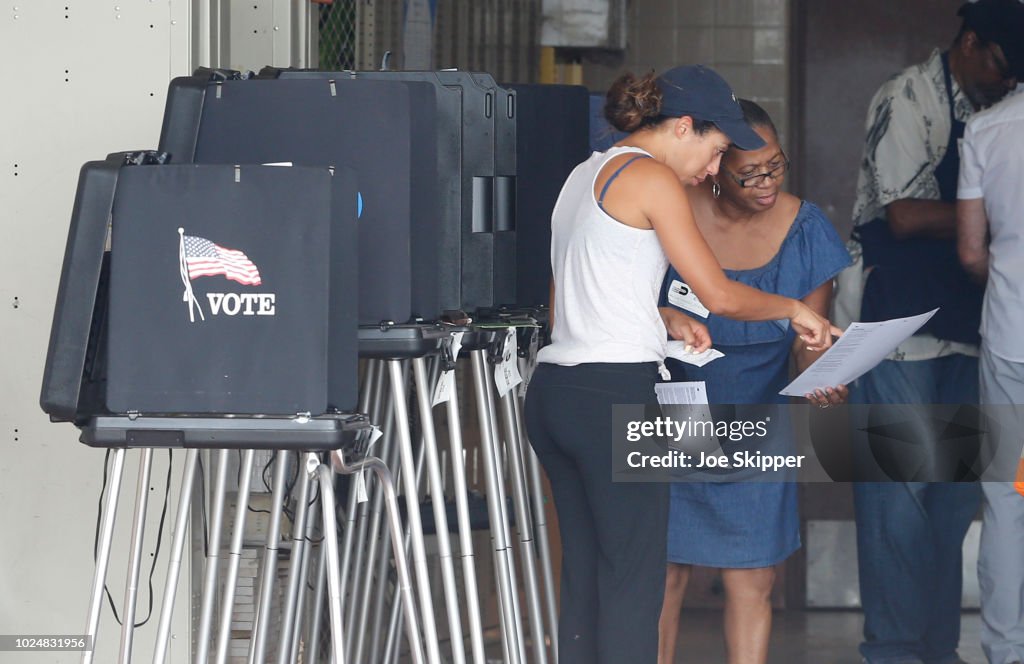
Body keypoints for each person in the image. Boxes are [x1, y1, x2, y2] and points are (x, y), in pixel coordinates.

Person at [523, 65, 840, 664]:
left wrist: (662, 316)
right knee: (634, 587)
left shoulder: (584, 175)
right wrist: (795, 308)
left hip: (557, 394)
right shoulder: (654, 179)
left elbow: (567, 298)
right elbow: (718, 294)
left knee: (588, 579)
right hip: (614, 395)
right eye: (717, 150)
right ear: (686, 127)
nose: (714, 170)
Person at [844, 1, 1024, 662]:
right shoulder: (907, 96)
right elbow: (904, 216)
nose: (1008, 80)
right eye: (1002, 64)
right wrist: (994, 211)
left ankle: (936, 649)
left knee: (950, 505)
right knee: (896, 498)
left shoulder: (996, 112)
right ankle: (892, 650)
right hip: (899, 328)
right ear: (970, 42)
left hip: (972, 330)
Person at [655, 99, 851, 664]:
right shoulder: (671, 207)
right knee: (664, 574)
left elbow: (805, 342)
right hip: (675, 413)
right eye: (750, 173)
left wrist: (823, 379)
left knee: (752, 578)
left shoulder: (806, 229)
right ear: (715, 166)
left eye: (777, 166)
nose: (766, 183)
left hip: (759, 419)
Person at [958, 82, 1024, 664]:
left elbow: (972, 251)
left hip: (1011, 337)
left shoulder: (986, 127)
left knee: (1007, 498)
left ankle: (1007, 653)